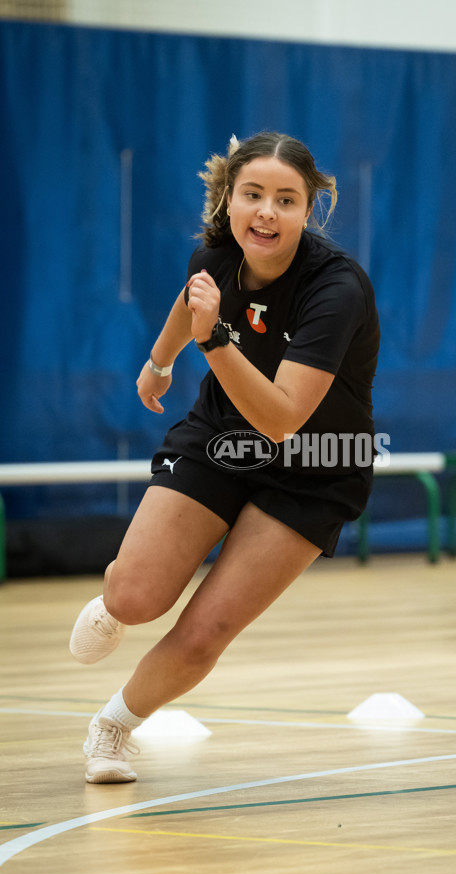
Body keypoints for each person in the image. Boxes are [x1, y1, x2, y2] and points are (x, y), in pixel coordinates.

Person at [69, 131, 380, 784]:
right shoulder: (213, 257)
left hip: (316, 463)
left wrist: (212, 341)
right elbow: (193, 302)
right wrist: (159, 362)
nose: (267, 211)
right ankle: (114, 606)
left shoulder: (336, 289)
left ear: (309, 209)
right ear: (230, 201)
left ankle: (113, 727)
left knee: (206, 629)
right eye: (254, 195)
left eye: (286, 200)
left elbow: (280, 419)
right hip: (219, 439)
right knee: (134, 595)